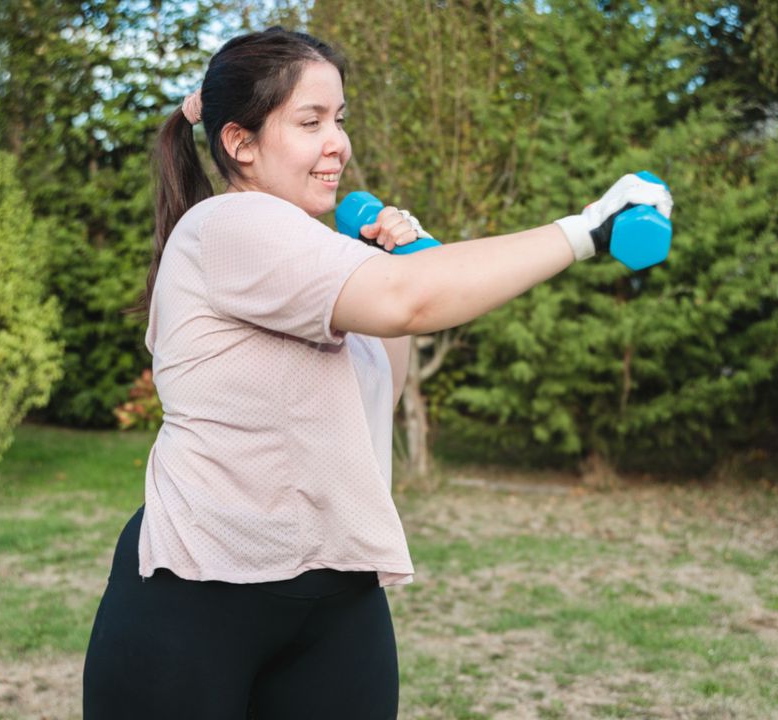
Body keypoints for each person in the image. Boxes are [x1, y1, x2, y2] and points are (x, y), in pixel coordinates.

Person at [81, 26, 673, 720]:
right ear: (239, 143)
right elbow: (410, 301)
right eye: (311, 122)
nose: (339, 143)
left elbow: (378, 385)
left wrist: (393, 263)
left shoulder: (315, 256)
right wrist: (588, 230)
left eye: (340, 119)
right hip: (201, 600)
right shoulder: (228, 226)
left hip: (335, 600)